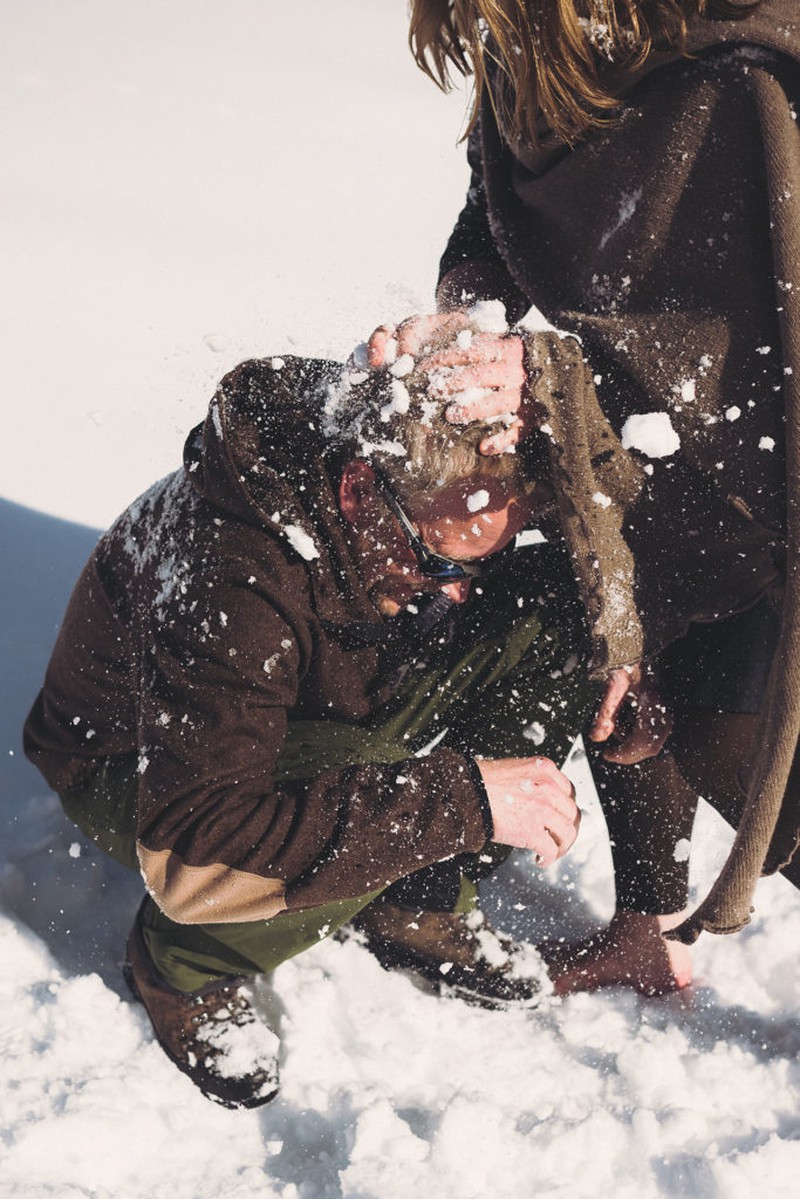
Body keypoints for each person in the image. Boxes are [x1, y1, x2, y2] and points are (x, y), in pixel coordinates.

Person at [24, 340, 596, 1109]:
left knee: (561, 614)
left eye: (477, 566)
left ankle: (407, 894)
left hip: (304, 704)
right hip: (140, 771)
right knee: (361, 776)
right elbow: (193, 851)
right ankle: (177, 966)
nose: (456, 596)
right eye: (440, 566)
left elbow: (620, 488)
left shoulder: (398, 461)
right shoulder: (233, 580)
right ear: (359, 490)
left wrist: (623, 638)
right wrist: (459, 799)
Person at [363, 0, 800, 994]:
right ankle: (647, 926)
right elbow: (494, 202)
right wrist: (466, 318)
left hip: (746, 460)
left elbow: (738, 334)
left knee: (734, 737)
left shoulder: (733, 75)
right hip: (634, 455)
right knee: (620, 646)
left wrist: (551, 377)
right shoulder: (532, 54)